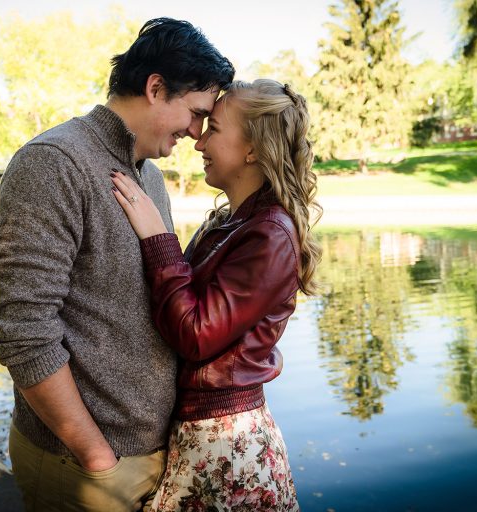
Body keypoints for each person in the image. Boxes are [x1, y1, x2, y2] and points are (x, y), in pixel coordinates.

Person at [0, 18, 234, 511]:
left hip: (146, 459)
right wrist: (95, 456)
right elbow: (21, 329)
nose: (196, 131)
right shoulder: (54, 162)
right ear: (156, 87)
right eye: (194, 112)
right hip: (84, 468)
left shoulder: (151, 177)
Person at [110, 79, 321, 510]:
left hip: (226, 444)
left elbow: (196, 334)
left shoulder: (270, 234)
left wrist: (159, 239)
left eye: (215, 129)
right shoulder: (233, 222)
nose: (198, 140)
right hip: (203, 432)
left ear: (253, 150)